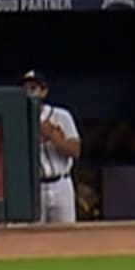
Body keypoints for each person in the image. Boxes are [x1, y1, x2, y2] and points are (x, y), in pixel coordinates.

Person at [23, 70, 82, 225]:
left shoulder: (61, 116)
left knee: (66, 237)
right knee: (33, 239)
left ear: (44, 91)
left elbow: (75, 151)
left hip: (61, 185)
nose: (29, 93)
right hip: (34, 188)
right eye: (26, 89)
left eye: (33, 88)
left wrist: (53, 137)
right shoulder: (18, 119)